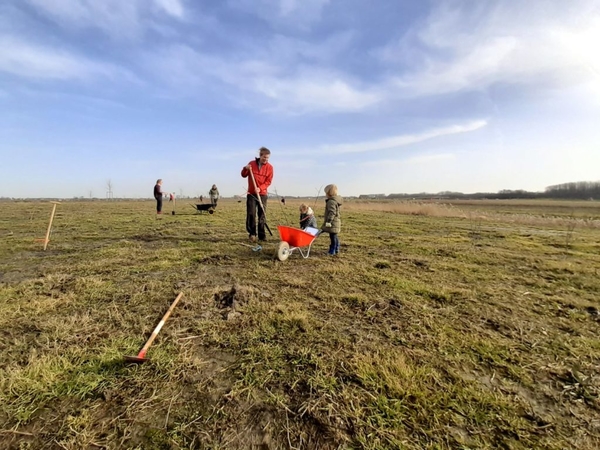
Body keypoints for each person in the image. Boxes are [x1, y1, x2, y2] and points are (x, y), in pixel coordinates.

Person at [241, 147, 273, 242]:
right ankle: (252, 234)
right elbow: (243, 175)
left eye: (267, 158)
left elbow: (268, 181)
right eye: (264, 157)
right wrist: (245, 168)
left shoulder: (270, 168)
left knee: (261, 214)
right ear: (260, 156)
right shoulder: (251, 164)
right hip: (251, 194)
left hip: (262, 194)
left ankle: (262, 236)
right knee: (251, 213)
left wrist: (260, 188)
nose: (266, 160)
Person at [321, 184, 342, 255]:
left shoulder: (331, 201)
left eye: (326, 192)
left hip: (333, 222)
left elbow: (332, 212)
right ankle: (337, 248)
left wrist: (328, 221)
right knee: (334, 236)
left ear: (329, 193)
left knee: (333, 237)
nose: (325, 194)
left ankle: (332, 251)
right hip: (336, 221)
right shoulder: (335, 200)